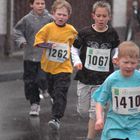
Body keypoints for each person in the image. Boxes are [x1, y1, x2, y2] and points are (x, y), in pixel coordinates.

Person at [71, 1, 120, 140]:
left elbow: (116, 48)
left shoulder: (112, 33)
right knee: (83, 110)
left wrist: (115, 57)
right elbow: (74, 49)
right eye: (98, 15)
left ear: (109, 17)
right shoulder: (85, 33)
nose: (101, 19)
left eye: (104, 16)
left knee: (95, 111)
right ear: (93, 16)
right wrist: (77, 62)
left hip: (103, 79)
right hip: (85, 76)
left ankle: (90, 137)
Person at [34, 0, 78, 130]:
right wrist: (48, 45)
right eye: (59, 14)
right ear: (53, 14)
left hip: (64, 68)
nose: (61, 17)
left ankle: (56, 118)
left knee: (61, 92)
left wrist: (78, 60)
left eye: (64, 15)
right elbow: (37, 42)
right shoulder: (47, 28)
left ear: (68, 16)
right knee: (52, 90)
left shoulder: (71, 30)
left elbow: (77, 46)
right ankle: (54, 98)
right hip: (48, 67)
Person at [92, 41, 140, 140]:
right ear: (117, 61)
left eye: (133, 63)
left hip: (136, 126)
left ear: (138, 62)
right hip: (115, 126)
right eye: (126, 62)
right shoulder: (112, 80)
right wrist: (100, 119)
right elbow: (100, 101)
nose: (129, 66)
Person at [13, 0, 52, 116]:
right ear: (31, 5)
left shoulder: (50, 19)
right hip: (29, 56)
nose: (40, 6)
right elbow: (17, 31)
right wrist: (22, 41)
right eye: (37, 3)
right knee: (30, 82)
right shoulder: (26, 19)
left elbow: (57, 31)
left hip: (44, 56)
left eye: (42, 3)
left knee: (42, 78)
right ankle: (34, 104)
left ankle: (46, 89)